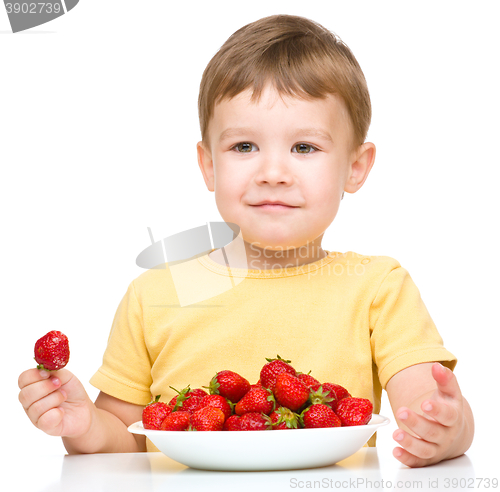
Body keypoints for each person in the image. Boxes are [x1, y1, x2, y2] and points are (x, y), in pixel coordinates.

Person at [18, 14, 473, 467]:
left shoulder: (378, 287)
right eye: (244, 147)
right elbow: (123, 440)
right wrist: (81, 425)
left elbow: (428, 404)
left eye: (304, 148)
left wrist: (444, 427)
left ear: (355, 167)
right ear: (209, 164)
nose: (273, 174)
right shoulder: (154, 294)